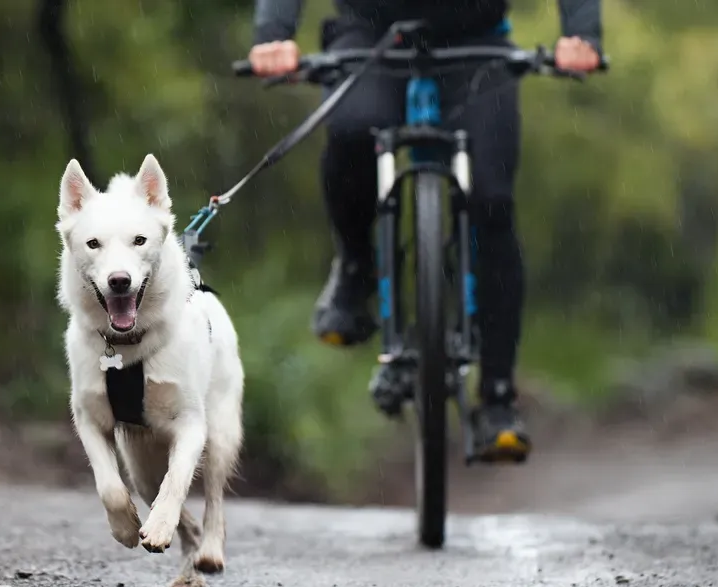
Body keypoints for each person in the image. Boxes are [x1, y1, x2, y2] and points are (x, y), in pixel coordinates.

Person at [247, 0, 603, 461]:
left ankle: (497, 397)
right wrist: (273, 35)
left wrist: (582, 34)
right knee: (353, 131)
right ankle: (356, 269)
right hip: (371, 32)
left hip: (477, 40)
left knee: (492, 200)